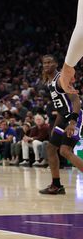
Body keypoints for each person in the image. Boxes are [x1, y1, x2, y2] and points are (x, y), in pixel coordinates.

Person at [38, 55, 83, 194]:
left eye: (50, 62)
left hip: (74, 118)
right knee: (51, 149)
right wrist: (54, 127)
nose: (46, 65)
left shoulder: (61, 79)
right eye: (44, 63)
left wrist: (73, 122)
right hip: (63, 118)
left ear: (56, 64)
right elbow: (60, 107)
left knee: (65, 151)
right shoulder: (50, 82)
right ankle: (56, 185)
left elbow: (76, 101)